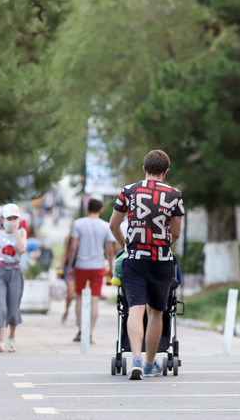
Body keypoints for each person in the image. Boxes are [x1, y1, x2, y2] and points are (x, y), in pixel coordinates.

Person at [109, 149, 185, 380]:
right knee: (155, 312)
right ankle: (151, 363)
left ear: (144, 169)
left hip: (134, 260)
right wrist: (161, 245)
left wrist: (127, 245)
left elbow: (113, 225)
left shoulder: (128, 191)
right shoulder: (175, 195)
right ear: (166, 171)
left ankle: (136, 360)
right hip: (160, 260)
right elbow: (176, 232)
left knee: (135, 309)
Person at [66, 198, 116, 343]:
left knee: (80, 298)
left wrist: (70, 265)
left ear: (88, 209)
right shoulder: (106, 226)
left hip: (81, 265)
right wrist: (111, 267)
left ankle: (81, 330)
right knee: (95, 300)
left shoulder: (78, 224)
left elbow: (73, 246)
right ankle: (90, 332)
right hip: (98, 266)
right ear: (101, 210)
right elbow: (109, 250)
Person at [0, 203, 27, 352]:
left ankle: (11, 338)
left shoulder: (21, 233)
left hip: (15, 272)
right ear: (2, 220)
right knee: (0, 307)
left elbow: (21, 250)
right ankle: (1, 341)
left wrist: (15, 231)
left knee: (13, 308)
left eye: (15, 218)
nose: (13, 222)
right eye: (10, 218)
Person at [60, 231, 76, 324]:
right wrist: (61, 269)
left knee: (77, 294)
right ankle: (67, 310)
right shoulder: (69, 237)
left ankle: (79, 317)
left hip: (81, 266)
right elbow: (65, 253)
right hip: (68, 267)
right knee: (70, 293)